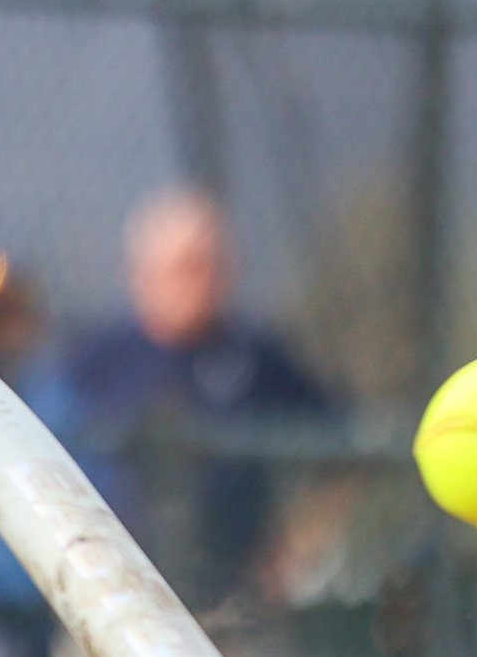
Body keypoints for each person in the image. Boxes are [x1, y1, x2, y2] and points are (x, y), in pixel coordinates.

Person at [67, 186, 330, 608]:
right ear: (140, 273)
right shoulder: (96, 360)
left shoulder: (260, 358)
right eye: (185, 267)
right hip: (111, 596)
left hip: (234, 602)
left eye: (214, 265)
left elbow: (343, 449)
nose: (202, 280)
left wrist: (296, 544)